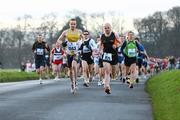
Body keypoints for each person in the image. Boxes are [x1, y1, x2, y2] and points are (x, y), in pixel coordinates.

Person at [57, 18, 83, 94]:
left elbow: (84, 39)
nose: (73, 25)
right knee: (71, 70)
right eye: (71, 24)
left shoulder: (79, 32)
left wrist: (82, 44)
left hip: (76, 52)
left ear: (76, 24)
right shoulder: (65, 32)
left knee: (74, 66)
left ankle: (75, 82)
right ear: (69, 24)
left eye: (74, 24)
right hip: (68, 53)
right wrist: (62, 43)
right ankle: (72, 83)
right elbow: (59, 40)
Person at [100, 23, 120, 94]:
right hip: (106, 55)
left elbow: (120, 42)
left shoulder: (114, 34)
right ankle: (107, 86)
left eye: (108, 28)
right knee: (107, 71)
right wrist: (101, 51)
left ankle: (110, 78)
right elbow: (101, 45)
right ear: (103, 28)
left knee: (114, 74)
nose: (107, 29)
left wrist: (116, 45)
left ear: (110, 28)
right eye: (105, 28)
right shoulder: (102, 36)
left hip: (114, 55)